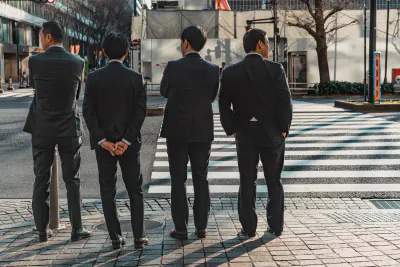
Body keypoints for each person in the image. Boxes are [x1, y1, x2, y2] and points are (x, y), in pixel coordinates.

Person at [219, 29, 292, 237]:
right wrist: (284, 129)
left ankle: (248, 228)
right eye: (267, 42)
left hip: (245, 133)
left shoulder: (231, 72)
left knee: (247, 180)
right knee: (274, 181)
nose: (269, 46)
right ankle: (275, 226)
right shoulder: (276, 69)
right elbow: (284, 102)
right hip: (272, 134)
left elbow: (223, 105)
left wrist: (232, 128)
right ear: (260, 44)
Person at [23, 21, 91, 242]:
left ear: (49, 37)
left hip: (42, 126)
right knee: (72, 179)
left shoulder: (35, 61)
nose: (40, 40)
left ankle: (42, 231)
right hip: (69, 127)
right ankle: (77, 228)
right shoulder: (78, 62)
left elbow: (37, 89)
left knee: (40, 178)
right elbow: (76, 93)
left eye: (41, 36)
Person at [82, 33, 148, 249]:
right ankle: (139, 236)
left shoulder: (93, 78)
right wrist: (126, 140)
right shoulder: (136, 78)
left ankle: (115, 237)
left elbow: (88, 112)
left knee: (107, 189)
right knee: (135, 190)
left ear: (104, 52)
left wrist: (103, 140)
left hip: (104, 146)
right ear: (127, 53)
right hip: (129, 145)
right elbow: (139, 114)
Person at [160, 26, 219, 240]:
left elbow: (163, 91)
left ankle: (181, 228)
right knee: (201, 178)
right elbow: (212, 96)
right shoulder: (213, 69)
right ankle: (201, 226)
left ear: (185, 43)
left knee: (178, 179)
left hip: (176, 130)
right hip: (202, 129)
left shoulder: (173, 66)